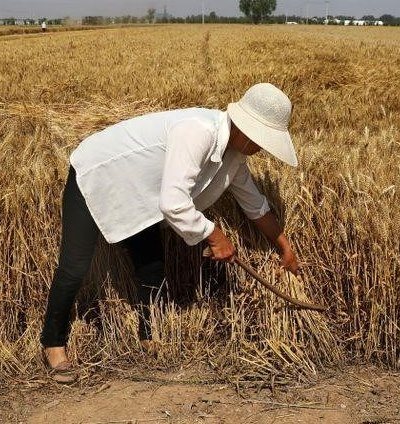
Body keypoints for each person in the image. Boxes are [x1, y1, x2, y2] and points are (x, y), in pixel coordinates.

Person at [40, 83, 301, 383]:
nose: (262, 148)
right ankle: (53, 342)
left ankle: (148, 336)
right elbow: (174, 202)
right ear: (245, 128)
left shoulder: (234, 157)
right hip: (98, 174)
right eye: (262, 140)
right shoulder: (198, 131)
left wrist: (284, 246)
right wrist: (214, 235)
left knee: (152, 267)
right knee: (75, 267)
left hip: (141, 192)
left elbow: (255, 206)